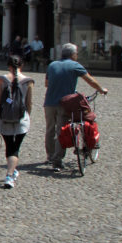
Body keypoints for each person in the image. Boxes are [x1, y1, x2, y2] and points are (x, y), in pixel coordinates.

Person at [43, 43, 108, 171]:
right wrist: (101, 89)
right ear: (73, 54)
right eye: (76, 53)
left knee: (50, 130)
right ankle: (57, 160)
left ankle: (50, 156)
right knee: (61, 131)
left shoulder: (52, 65)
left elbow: (47, 83)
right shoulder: (74, 65)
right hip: (64, 104)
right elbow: (90, 80)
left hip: (49, 103)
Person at [0, 56, 34, 188]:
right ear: (21, 65)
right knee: (15, 148)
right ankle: (10, 174)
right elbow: (29, 103)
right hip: (21, 119)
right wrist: (27, 116)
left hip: (4, 118)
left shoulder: (1, 79)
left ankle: (11, 172)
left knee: (9, 146)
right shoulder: (28, 81)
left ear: (8, 66)